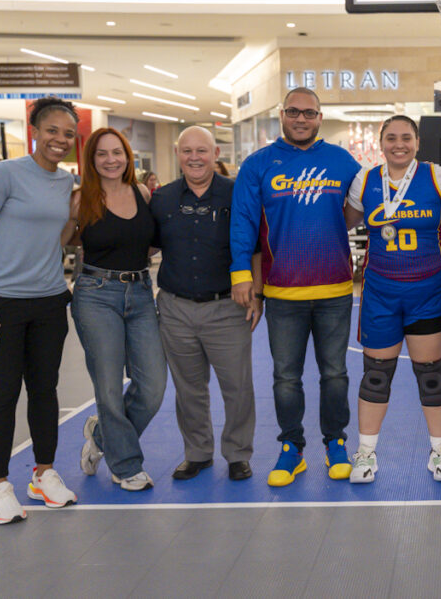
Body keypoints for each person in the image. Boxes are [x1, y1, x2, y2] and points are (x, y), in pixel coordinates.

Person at [230, 87, 361, 486]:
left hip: (336, 291)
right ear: (281, 115)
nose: (301, 119)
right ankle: (292, 447)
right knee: (286, 377)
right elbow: (244, 224)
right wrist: (242, 276)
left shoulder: (342, 161)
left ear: (320, 117)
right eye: (293, 112)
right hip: (282, 293)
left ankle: (335, 442)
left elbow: (363, 209)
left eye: (309, 113)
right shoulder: (259, 165)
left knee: (335, 374)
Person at [0, 97, 79, 525]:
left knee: (45, 390)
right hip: (1, 305)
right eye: (52, 130)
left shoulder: (65, 183)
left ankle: (43, 473)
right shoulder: (4, 174)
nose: (60, 140)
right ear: (35, 130)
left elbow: (60, 236)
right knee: (3, 392)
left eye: (68, 134)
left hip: (50, 300)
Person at [343, 115, 441, 484]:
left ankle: (440, 449)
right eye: (391, 137)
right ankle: (365, 454)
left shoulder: (440, 178)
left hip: (426, 290)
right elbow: (343, 221)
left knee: (431, 376)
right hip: (380, 293)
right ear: (381, 142)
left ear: (417, 141)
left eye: (406, 137)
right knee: (376, 376)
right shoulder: (364, 180)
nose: (399, 144)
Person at [150, 127, 261, 482]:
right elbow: (148, 246)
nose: (194, 157)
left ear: (215, 153)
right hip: (175, 308)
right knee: (188, 388)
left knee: (237, 387)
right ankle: (197, 453)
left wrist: (256, 294)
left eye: (202, 150)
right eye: (187, 151)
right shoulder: (162, 198)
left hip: (227, 306)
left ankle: (238, 454)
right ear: (177, 154)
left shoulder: (238, 194)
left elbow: (256, 248)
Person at [71, 128, 166, 492]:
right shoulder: (80, 200)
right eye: (102, 154)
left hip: (141, 291)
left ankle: (101, 435)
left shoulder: (142, 193)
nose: (111, 160)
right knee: (108, 388)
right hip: (95, 294)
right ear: (91, 160)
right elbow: (63, 239)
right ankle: (125, 465)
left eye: (117, 152)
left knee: (154, 385)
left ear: (128, 156)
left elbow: (151, 245)